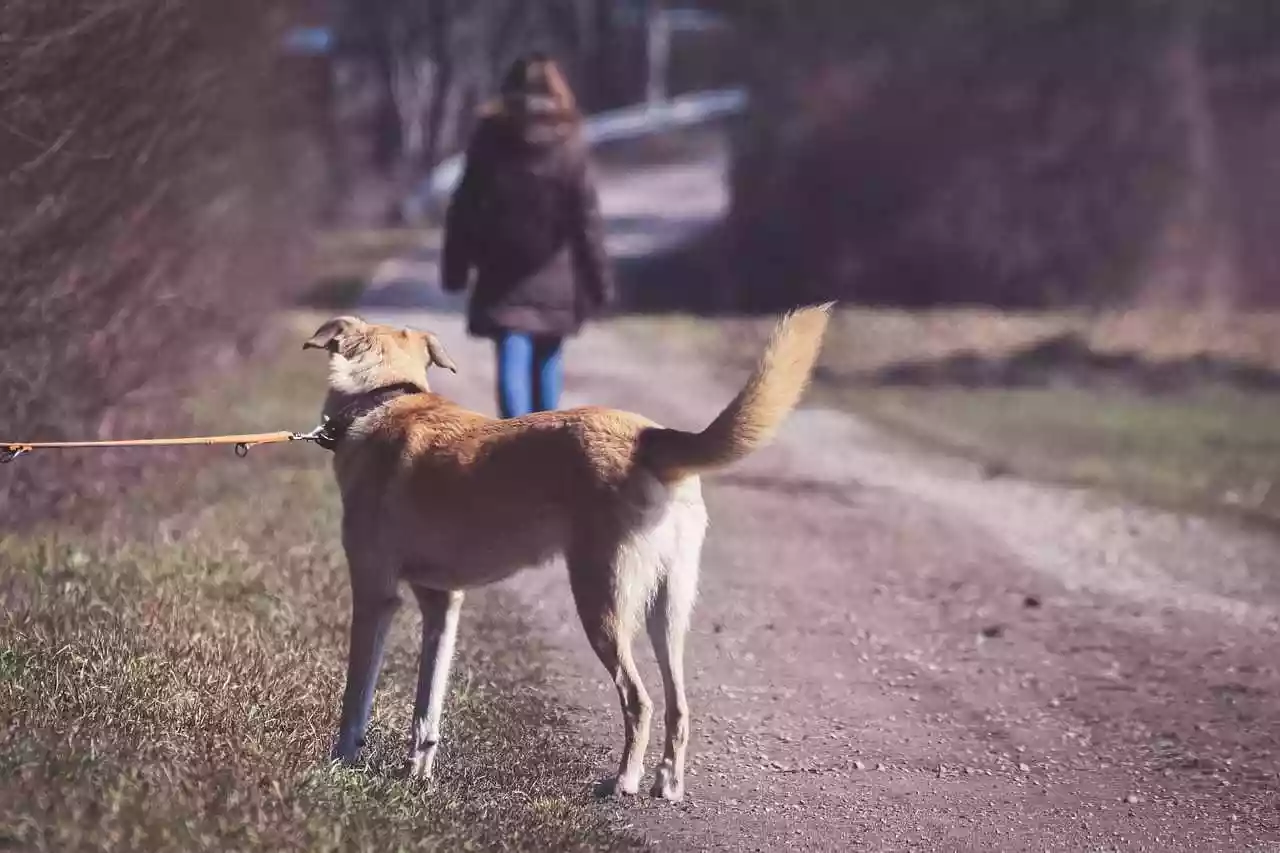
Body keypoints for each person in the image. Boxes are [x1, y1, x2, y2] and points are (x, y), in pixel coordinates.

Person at [442, 53, 613, 419]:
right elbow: (586, 220)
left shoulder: (490, 138)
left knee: (511, 352)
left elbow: (465, 205)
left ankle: (514, 442)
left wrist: (455, 267)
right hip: (555, 271)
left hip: (501, 270)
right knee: (548, 355)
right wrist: (598, 283)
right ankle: (547, 442)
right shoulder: (569, 141)